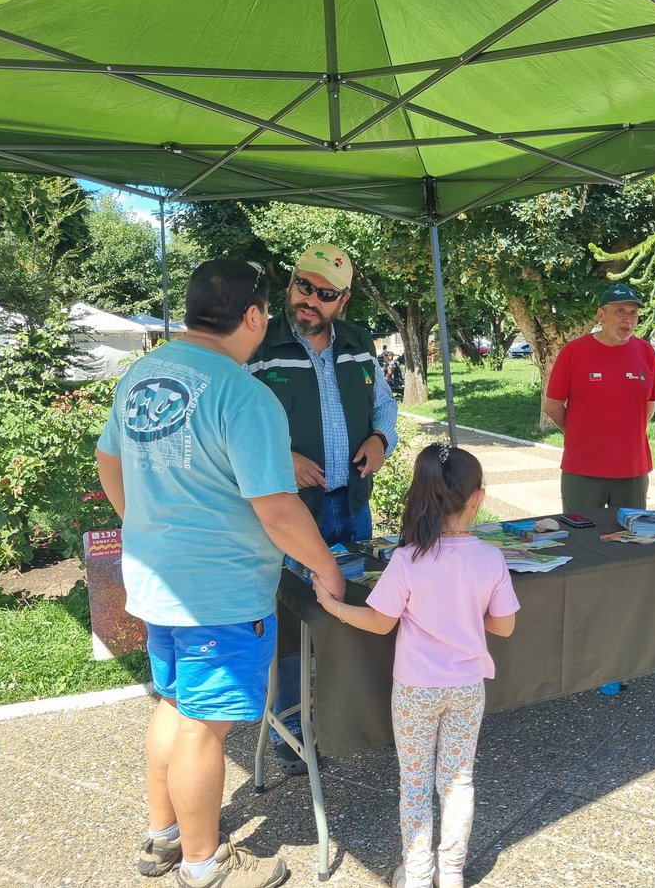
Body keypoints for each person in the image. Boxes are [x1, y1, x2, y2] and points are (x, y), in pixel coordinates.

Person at [95, 260, 345, 888]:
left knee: (177, 706)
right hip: (222, 592)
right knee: (206, 728)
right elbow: (279, 508)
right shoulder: (244, 394)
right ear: (254, 315)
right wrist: (325, 569)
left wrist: (145, 527)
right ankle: (206, 864)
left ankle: (164, 836)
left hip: (159, 583)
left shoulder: (141, 375)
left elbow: (108, 460)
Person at [321, 443, 519, 888]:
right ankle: (451, 873)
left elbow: (378, 622)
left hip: (414, 689)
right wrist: (469, 614)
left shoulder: (406, 561)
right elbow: (504, 628)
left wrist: (332, 607)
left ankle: (416, 874)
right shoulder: (491, 558)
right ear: (478, 498)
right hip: (467, 686)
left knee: (414, 782)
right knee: (458, 780)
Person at [247, 243, 399, 776]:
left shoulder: (359, 346)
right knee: (295, 621)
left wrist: (382, 438)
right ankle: (292, 738)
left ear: (344, 301)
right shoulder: (260, 347)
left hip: (352, 507)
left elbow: (384, 404)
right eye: (302, 286)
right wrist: (280, 457)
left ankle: (355, 721)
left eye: (324, 293)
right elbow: (237, 424)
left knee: (358, 609)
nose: (309, 300)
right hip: (294, 514)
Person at [541, 283, 655, 511]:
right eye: (619, 312)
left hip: (632, 471)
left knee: (630, 540)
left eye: (633, 312)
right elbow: (552, 406)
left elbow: (649, 406)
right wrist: (582, 433)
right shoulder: (573, 352)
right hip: (583, 470)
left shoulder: (646, 352)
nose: (628, 319)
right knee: (581, 539)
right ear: (601, 315)